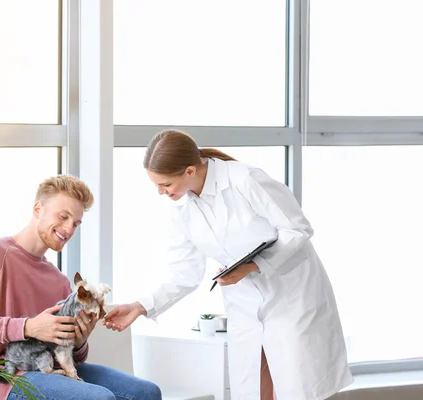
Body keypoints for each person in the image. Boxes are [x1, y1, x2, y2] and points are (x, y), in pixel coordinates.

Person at [103, 130, 353, 400]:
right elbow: (184, 272)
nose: (160, 192)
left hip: (292, 297)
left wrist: (252, 265)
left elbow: (297, 229)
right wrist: (140, 307)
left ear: (189, 170)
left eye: (165, 185)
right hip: (244, 304)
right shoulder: (183, 208)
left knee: (295, 389)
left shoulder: (244, 179)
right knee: (252, 389)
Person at [0, 175, 162, 400]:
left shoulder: (59, 280)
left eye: (76, 223)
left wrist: (79, 341)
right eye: (63, 217)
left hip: (54, 369)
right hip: (12, 378)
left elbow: (74, 356)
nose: (69, 229)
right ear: (38, 209)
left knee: (146, 392)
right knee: (100, 398)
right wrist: (28, 327)